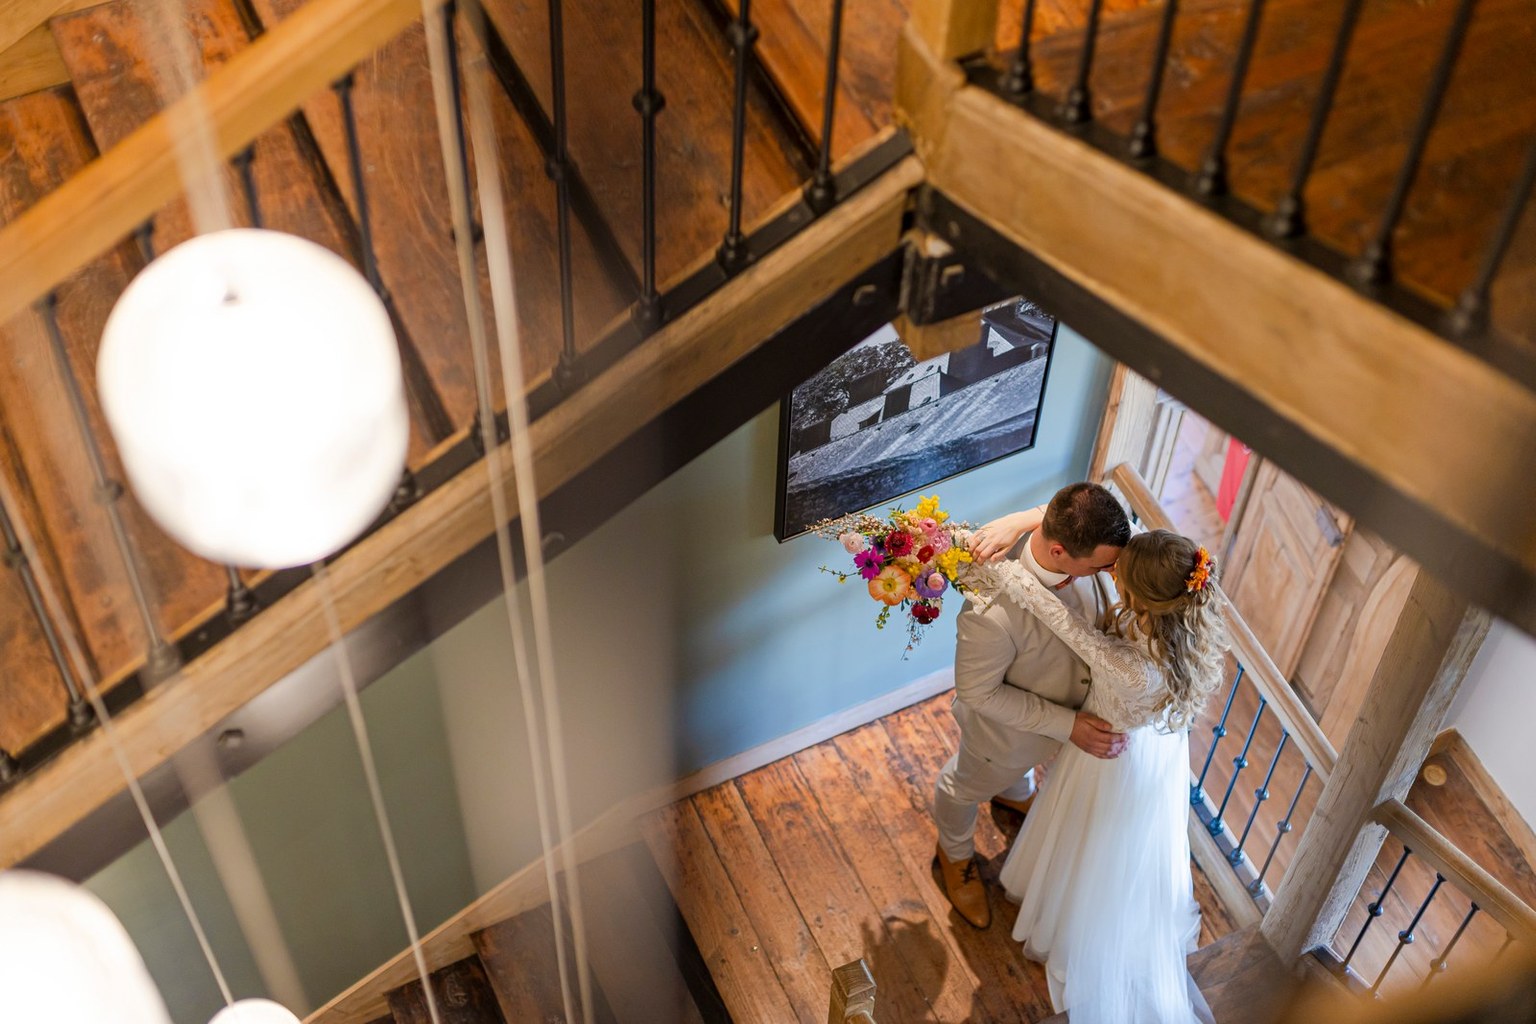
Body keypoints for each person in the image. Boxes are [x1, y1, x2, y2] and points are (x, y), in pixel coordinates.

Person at [973, 518, 1229, 1024]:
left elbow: (1056, 617)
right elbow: (1119, 525)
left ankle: (1079, 929)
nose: (1111, 572)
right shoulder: (1177, 608)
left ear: (1139, 596)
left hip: (1113, 758)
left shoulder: (1134, 667)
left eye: (1118, 572)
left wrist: (994, 565)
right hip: (1154, 749)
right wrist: (1024, 522)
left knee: (1093, 847)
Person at [932, 483, 1132, 929]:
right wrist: (1068, 725)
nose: (1113, 572)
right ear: (1059, 551)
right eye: (1103, 566)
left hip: (1051, 731)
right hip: (1005, 740)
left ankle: (1014, 794)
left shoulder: (1093, 541)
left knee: (1014, 779)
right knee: (961, 787)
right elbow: (978, 693)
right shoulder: (990, 612)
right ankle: (954, 853)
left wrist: (1024, 517)